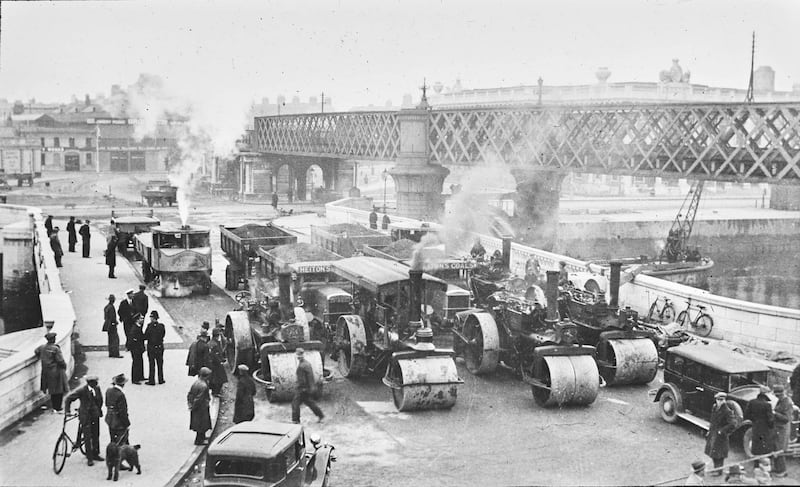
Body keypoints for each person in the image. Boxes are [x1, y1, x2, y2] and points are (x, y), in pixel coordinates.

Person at [64, 375, 104, 465]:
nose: (97, 383)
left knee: (96, 434)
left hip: (95, 415)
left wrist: (98, 409)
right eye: (95, 381)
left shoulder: (97, 388)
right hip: (85, 416)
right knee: (87, 437)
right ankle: (89, 458)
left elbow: (100, 400)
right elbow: (68, 399)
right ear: (90, 382)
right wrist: (67, 411)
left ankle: (95, 454)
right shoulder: (82, 390)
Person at [34, 332, 69, 412]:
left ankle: (54, 406)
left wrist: (40, 357)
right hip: (56, 371)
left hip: (46, 371)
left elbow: (36, 351)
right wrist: (64, 366)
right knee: (59, 390)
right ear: (53, 339)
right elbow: (60, 360)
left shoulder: (42, 347)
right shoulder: (55, 349)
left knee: (52, 390)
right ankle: (58, 407)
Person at [745, 386, 775, 472]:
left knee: (756, 447)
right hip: (765, 429)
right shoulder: (767, 405)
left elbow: (746, 414)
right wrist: (772, 426)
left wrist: (754, 420)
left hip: (755, 427)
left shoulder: (752, 402)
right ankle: (764, 467)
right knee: (765, 448)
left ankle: (756, 466)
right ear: (765, 395)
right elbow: (770, 420)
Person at [705, 392, 737, 475]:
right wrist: (709, 430)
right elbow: (712, 420)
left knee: (720, 454)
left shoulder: (727, 411)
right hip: (713, 433)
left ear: (724, 400)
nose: (719, 402)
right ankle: (716, 468)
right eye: (718, 400)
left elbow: (733, 423)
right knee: (712, 452)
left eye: (721, 400)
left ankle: (719, 471)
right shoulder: (714, 407)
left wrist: (722, 431)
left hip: (721, 435)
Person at [291, 348, 324, 424]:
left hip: (303, 389)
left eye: (298, 355)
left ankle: (295, 421)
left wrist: (299, 387)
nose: (298, 356)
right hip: (309, 388)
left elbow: (302, 380)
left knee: (295, 403)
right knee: (309, 403)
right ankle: (320, 415)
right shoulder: (307, 363)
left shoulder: (301, 366)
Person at [771, 384, 793, 478]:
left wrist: (775, 413)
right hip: (779, 428)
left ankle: (782, 471)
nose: (776, 397)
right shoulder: (781, 401)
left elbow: (786, 418)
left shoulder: (787, 402)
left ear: (780, 394)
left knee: (779, 450)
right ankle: (777, 468)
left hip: (782, 429)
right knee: (776, 448)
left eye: (777, 395)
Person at [187, 367, 212, 445]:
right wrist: (194, 406)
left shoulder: (196, 383)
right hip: (201, 407)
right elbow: (199, 398)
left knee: (200, 424)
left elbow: (190, 395)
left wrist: (190, 404)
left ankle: (202, 437)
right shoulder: (203, 386)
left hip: (197, 407)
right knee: (202, 424)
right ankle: (199, 440)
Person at [105, 373, 130, 444]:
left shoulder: (108, 390)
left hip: (110, 418)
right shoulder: (121, 395)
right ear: (123, 384)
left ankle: (112, 450)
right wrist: (126, 423)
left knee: (113, 438)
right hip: (118, 421)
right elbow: (123, 411)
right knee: (122, 439)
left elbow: (107, 403)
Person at [144, 310, 166, 385]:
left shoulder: (149, 326)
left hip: (151, 347)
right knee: (160, 363)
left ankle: (152, 380)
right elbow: (163, 335)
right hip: (159, 347)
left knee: (152, 364)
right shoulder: (162, 326)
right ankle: (161, 379)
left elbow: (146, 336)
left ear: (153, 318)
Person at [208, 328, 228, 397]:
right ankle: (216, 392)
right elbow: (216, 355)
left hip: (212, 364)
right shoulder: (215, 344)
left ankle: (215, 391)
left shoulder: (211, 343)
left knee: (214, 379)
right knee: (219, 379)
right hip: (216, 364)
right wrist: (220, 361)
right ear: (217, 336)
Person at [127, 314, 146, 384]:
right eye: (141, 318)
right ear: (137, 320)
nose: (142, 319)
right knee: (136, 362)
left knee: (140, 361)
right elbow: (133, 340)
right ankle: (135, 379)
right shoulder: (134, 328)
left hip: (138, 348)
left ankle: (140, 376)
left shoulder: (138, 327)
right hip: (136, 349)